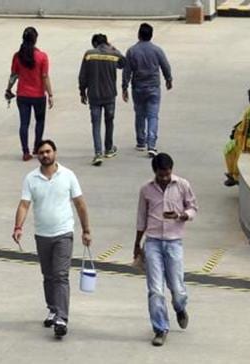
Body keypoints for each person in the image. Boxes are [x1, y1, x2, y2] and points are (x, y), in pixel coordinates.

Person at [12, 139, 92, 338]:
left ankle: (62, 318)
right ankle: (53, 308)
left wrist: (86, 229)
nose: (45, 155)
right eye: (41, 152)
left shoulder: (68, 175)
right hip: (42, 234)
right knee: (48, 275)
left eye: (48, 151)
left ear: (55, 152)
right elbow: (24, 204)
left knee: (60, 275)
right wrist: (18, 227)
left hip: (63, 233)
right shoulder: (31, 178)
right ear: (37, 155)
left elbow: (80, 204)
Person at [133, 153, 197, 346]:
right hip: (152, 242)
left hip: (174, 241)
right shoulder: (146, 190)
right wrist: (137, 244)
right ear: (155, 172)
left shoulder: (183, 185)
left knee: (177, 288)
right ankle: (160, 328)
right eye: (161, 175)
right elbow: (141, 218)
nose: (164, 178)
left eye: (167, 174)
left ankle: (179, 307)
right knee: (155, 289)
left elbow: (193, 207)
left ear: (171, 170)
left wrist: (182, 215)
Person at [122, 23, 173, 158]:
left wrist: (124, 87)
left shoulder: (132, 51)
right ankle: (152, 144)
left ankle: (141, 141)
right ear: (151, 35)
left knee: (140, 114)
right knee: (153, 115)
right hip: (153, 87)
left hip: (138, 87)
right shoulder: (157, 50)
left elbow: (127, 70)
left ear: (138, 34)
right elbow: (165, 66)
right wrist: (169, 79)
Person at [5, 26, 54, 162]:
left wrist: (8, 89)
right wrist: (50, 94)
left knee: (24, 124)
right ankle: (37, 148)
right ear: (36, 39)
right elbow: (45, 76)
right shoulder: (42, 56)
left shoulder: (17, 56)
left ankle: (25, 151)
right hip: (38, 95)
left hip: (22, 95)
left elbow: (13, 75)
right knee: (40, 121)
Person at [78, 33, 125, 166]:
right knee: (109, 122)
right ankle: (109, 148)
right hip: (110, 95)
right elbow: (123, 63)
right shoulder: (113, 54)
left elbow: (83, 75)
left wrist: (82, 91)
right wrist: (114, 49)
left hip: (94, 95)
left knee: (96, 124)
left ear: (94, 43)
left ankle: (98, 153)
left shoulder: (89, 54)